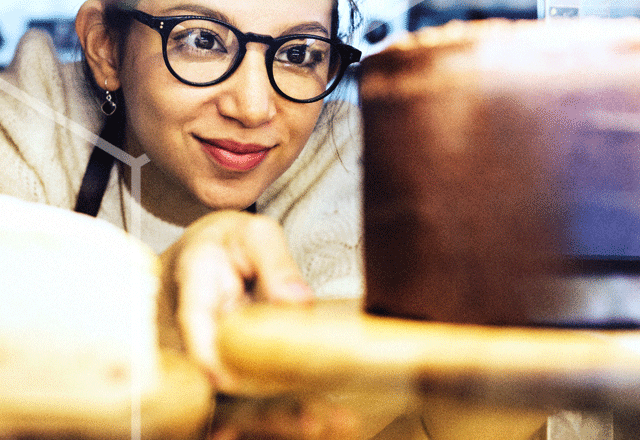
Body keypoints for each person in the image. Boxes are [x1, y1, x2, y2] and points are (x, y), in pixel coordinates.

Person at [0, 0, 372, 438]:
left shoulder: (361, 165)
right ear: (106, 48)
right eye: (203, 40)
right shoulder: (28, 117)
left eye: (298, 54)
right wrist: (159, 300)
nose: (252, 109)